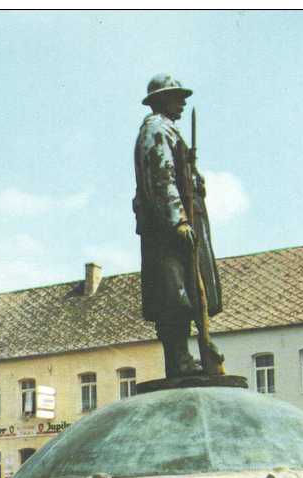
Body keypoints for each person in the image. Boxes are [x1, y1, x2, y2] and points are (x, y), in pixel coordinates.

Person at [133, 73, 223, 378]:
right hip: (168, 231)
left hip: (180, 223)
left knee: (185, 292)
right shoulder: (157, 130)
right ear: (160, 100)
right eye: (176, 96)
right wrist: (178, 220)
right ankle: (179, 359)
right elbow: (162, 177)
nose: (183, 102)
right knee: (174, 294)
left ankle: (185, 357)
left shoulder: (169, 130)